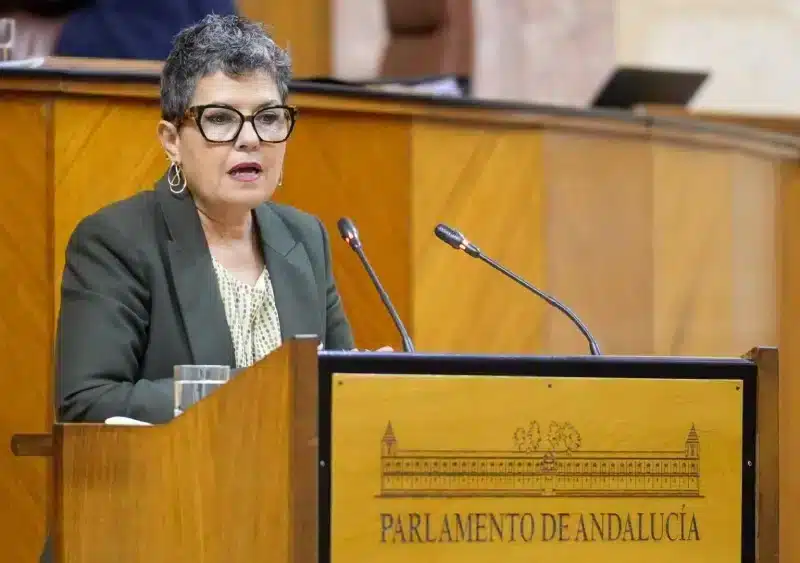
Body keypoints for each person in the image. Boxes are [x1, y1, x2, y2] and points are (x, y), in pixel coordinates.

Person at [55, 13, 356, 427]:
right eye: (220, 119)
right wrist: (252, 393)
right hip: (178, 486)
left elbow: (334, 384)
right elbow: (88, 400)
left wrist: (362, 384)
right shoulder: (117, 241)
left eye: (268, 118)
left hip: (297, 488)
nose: (250, 139)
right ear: (172, 140)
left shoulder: (305, 237)